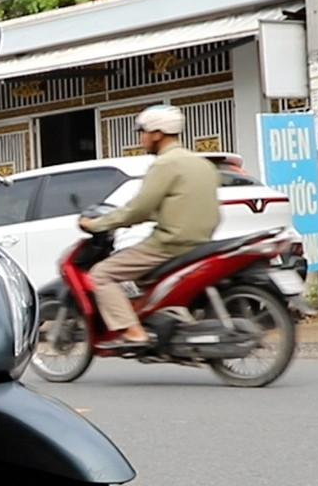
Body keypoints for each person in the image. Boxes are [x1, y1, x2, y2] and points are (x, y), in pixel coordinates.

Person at [79, 104, 221, 348]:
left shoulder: (165, 164)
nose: (141, 138)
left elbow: (139, 208)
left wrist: (98, 224)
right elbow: (171, 205)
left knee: (101, 274)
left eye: (142, 131)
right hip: (201, 244)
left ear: (157, 133)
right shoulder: (202, 164)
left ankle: (134, 332)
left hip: (169, 245)